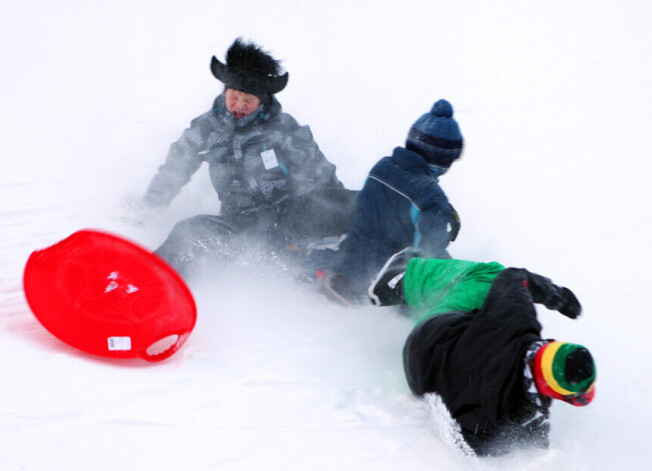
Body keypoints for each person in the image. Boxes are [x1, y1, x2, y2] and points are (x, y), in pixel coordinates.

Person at [139, 38, 356, 276]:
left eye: (249, 100)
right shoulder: (206, 128)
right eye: (235, 96)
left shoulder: (285, 129)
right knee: (188, 232)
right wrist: (148, 207)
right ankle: (148, 284)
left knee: (363, 203)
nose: (239, 105)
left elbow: (322, 177)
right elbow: (175, 167)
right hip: (240, 226)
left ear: (262, 101)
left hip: (289, 219)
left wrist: (337, 222)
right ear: (225, 91)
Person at [368, 250, 596, 456]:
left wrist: (557, 296)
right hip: (419, 376)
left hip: (429, 336)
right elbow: (471, 441)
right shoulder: (523, 418)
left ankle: (405, 279)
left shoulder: (517, 321)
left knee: (489, 275)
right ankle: (408, 297)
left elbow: (513, 277)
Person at [305, 99, 462, 305]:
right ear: (444, 158)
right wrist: (453, 279)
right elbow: (430, 252)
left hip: (350, 255)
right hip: (384, 275)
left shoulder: (382, 168)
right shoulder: (430, 195)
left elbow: (379, 205)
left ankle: (334, 277)